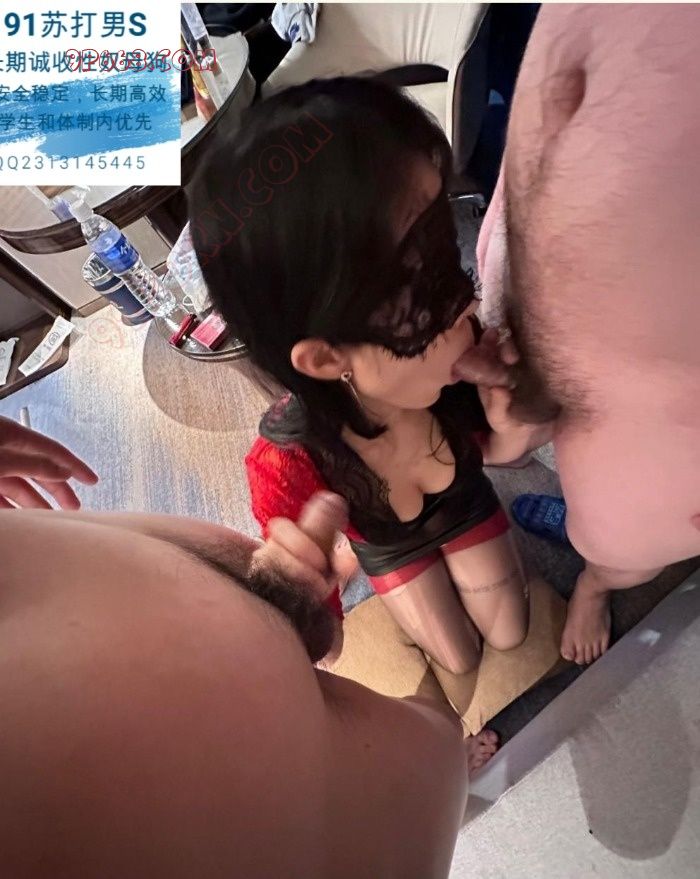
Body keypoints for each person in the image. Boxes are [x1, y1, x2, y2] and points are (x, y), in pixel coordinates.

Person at [0, 414, 492, 878]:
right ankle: (460, 766)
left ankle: (452, 762)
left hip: (266, 630)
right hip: (349, 798)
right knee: (441, 741)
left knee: (439, 743)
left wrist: (281, 603)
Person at [189, 76, 554, 684]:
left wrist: (511, 416)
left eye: (448, 253)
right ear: (327, 359)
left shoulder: (452, 360)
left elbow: (499, 451)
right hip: (390, 543)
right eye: (423, 294)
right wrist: (312, 612)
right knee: (459, 658)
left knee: (511, 631)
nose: (469, 307)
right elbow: (303, 581)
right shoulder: (286, 459)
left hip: (463, 502)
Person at [475, 3, 700, 665]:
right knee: (605, 529)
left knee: (636, 544)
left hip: (663, 447)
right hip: (593, 378)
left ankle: (599, 577)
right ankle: (593, 566)